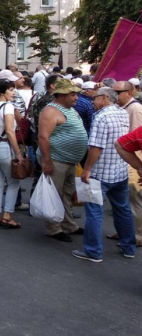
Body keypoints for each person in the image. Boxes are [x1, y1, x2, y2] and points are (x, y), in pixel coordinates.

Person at [76, 87, 135, 262]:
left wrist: (87, 169)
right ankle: (128, 247)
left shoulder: (101, 117)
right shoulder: (122, 113)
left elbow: (95, 147)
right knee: (123, 209)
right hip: (119, 170)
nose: (92, 102)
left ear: (103, 98)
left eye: (94, 99)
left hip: (100, 173)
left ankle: (93, 251)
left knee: (94, 211)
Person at [37, 79, 87, 242]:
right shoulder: (50, 111)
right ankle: (53, 228)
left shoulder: (70, 109)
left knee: (67, 193)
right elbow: (43, 137)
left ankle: (68, 224)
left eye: (76, 94)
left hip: (69, 160)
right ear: (61, 95)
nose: (76, 97)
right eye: (72, 94)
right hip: (55, 159)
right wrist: (47, 161)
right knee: (54, 194)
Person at [0, 80, 24, 229]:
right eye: (11, 90)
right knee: (13, 183)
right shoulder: (7, 106)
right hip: (3, 146)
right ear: (2, 92)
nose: (13, 92)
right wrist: (18, 153)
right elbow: (9, 131)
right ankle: (7, 215)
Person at [113, 80, 142, 246]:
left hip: (134, 160)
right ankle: (124, 231)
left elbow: (137, 139)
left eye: (118, 92)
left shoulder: (135, 108)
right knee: (125, 200)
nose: (115, 95)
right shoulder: (123, 107)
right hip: (127, 158)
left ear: (129, 93)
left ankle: (137, 236)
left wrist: (136, 166)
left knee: (134, 200)